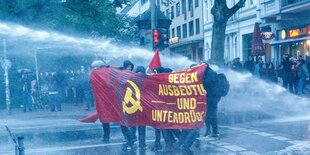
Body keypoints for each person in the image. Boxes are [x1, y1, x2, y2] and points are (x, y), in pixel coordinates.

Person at [90, 60, 111, 143]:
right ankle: (106, 136)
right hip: (103, 101)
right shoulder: (96, 76)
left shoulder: (107, 74)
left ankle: (129, 137)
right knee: (105, 119)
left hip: (108, 100)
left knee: (110, 119)